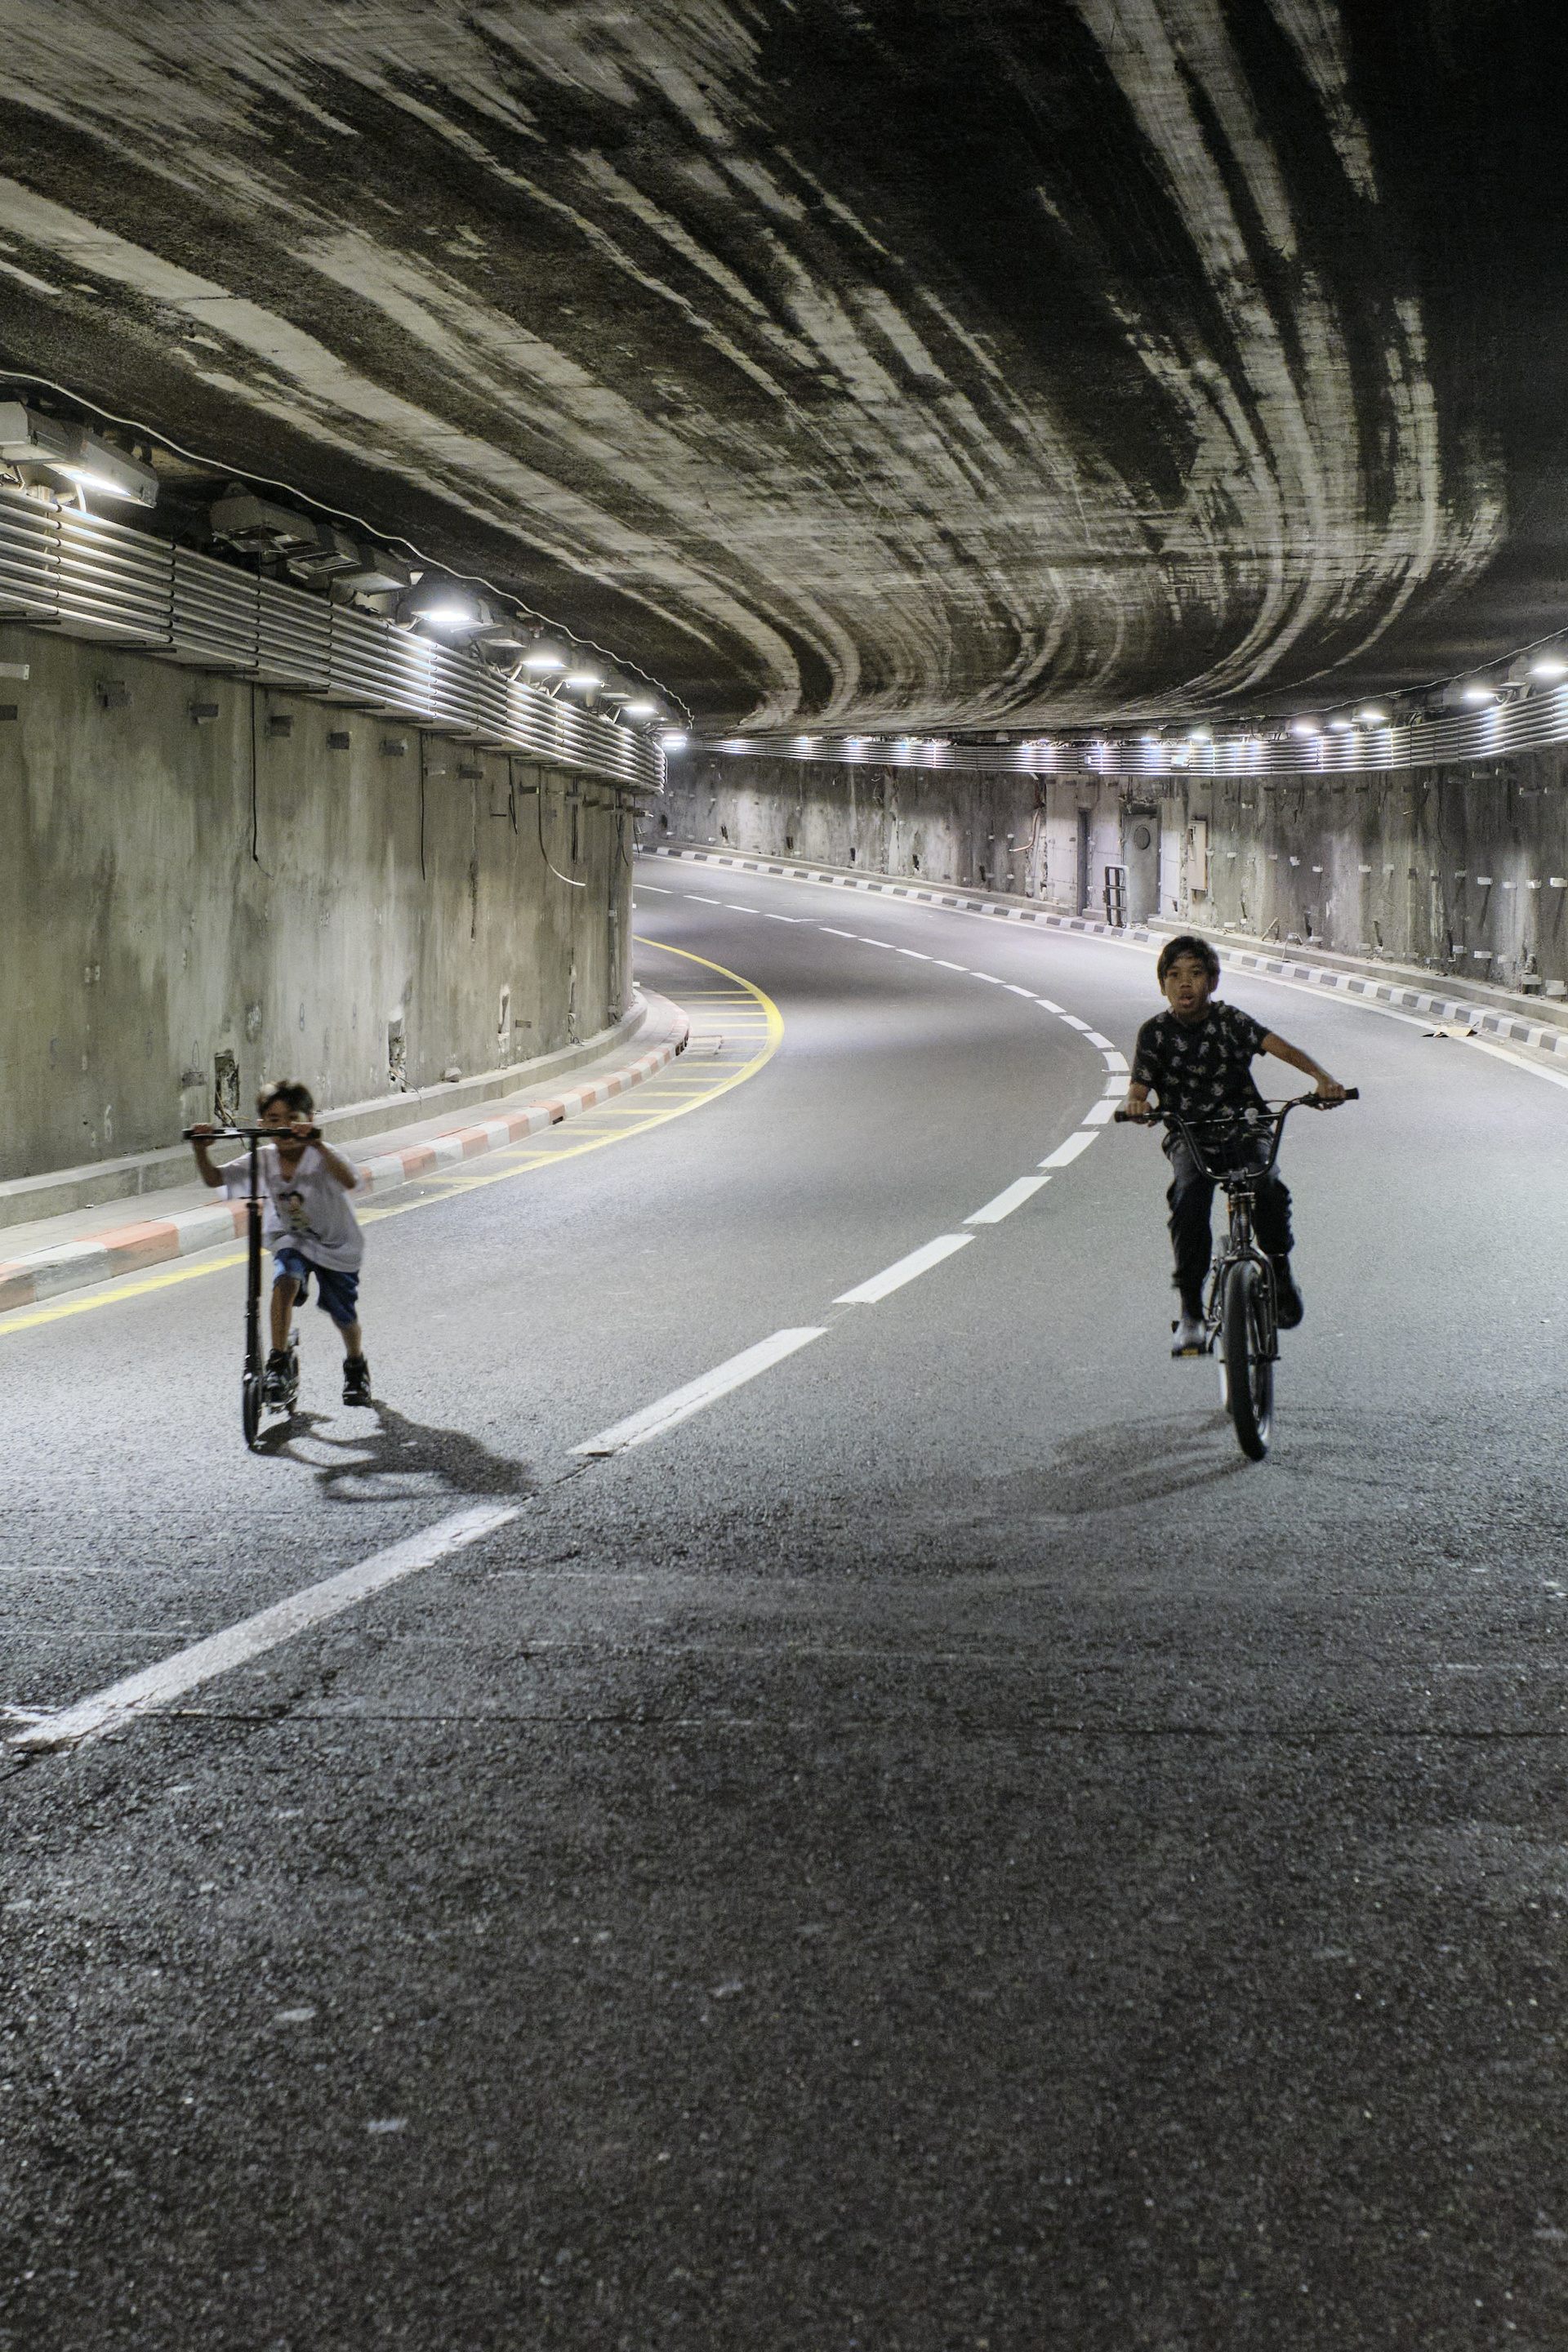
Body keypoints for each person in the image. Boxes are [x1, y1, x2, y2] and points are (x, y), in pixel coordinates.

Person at [1121, 934, 1348, 1355]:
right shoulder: (1153, 1033)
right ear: (1162, 984)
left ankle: (1280, 1270)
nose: (1185, 983)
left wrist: (1323, 1079)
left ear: (1212, 981)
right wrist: (1136, 1104)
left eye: (1196, 974)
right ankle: (1191, 1311)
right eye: (1175, 975)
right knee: (1189, 1198)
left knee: (1267, 1186)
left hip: (1245, 1126)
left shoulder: (1231, 1021)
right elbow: (1139, 1088)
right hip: (1189, 1133)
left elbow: (1282, 1048)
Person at [190, 1080, 372, 1406]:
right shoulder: (264, 1158)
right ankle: (277, 1360)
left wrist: (318, 1144)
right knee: (285, 1280)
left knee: (341, 1312)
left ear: (309, 1120)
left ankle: (355, 1364)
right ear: (263, 1126)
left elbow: (349, 1179)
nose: (284, 1126)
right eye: (274, 1120)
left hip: (336, 1245)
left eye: (293, 1118)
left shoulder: (321, 1155)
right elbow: (215, 1178)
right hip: (293, 1237)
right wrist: (201, 1150)